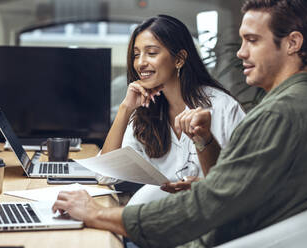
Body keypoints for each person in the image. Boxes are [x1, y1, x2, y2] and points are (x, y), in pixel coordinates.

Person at [52, 0, 307, 247]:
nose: (240, 53)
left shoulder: (276, 115)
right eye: (136, 54)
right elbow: (233, 190)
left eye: (253, 40)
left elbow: (210, 205)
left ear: (293, 43)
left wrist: (95, 213)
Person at [97, 14, 245, 204]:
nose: (140, 63)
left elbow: (245, 181)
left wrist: (202, 185)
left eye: (151, 53)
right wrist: (125, 109)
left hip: (211, 214)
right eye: (136, 54)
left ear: (179, 59)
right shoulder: (146, 112)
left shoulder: (223, 107)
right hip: (165, 214)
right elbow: (105, 176)